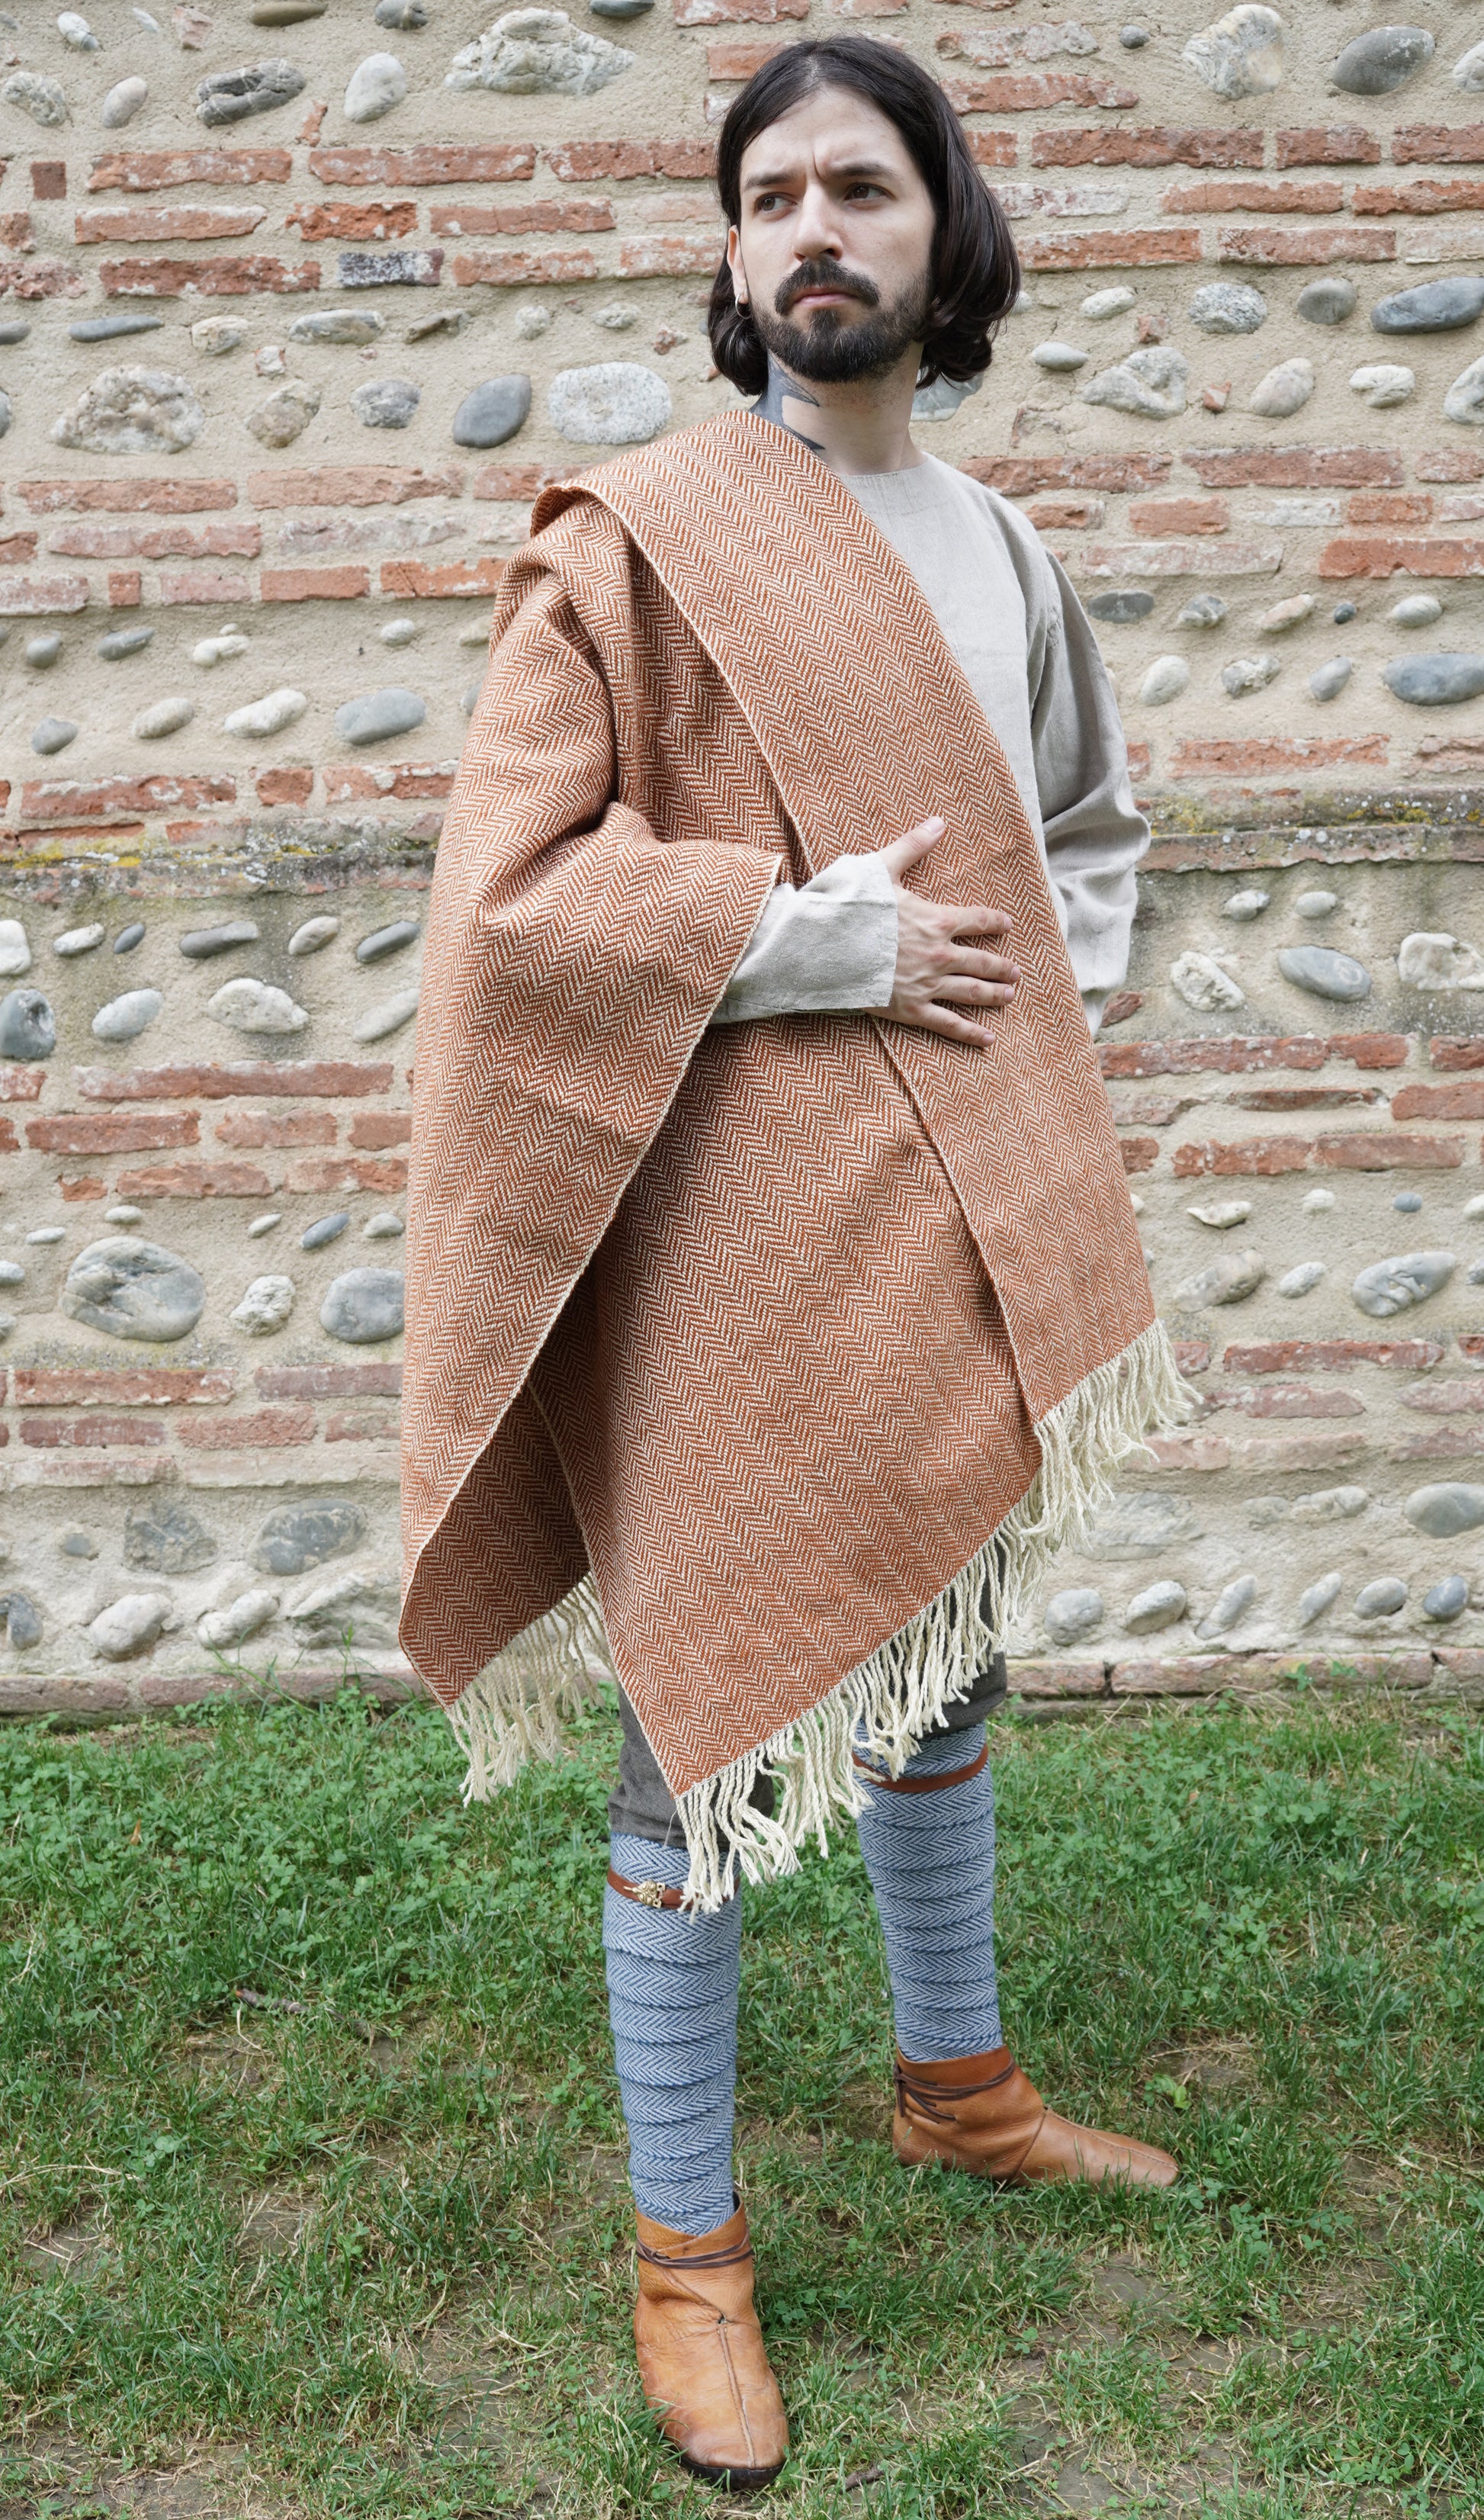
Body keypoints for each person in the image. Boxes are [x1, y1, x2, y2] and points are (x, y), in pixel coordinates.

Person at [400, 35, 1192, 2492]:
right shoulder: (633, 542)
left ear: (944, 238)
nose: (814, 229)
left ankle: (955, 2084)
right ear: (732, 258)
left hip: (968, 1196)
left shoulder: (1006, 548)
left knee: (949, 1634)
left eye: (863, 186)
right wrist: (773, 936)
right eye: (771, 197)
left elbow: (1092, 827)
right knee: (709, 1710)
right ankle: (685, 2254)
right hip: (728, 1234)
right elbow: (507, 906)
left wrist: (1053, 1011)